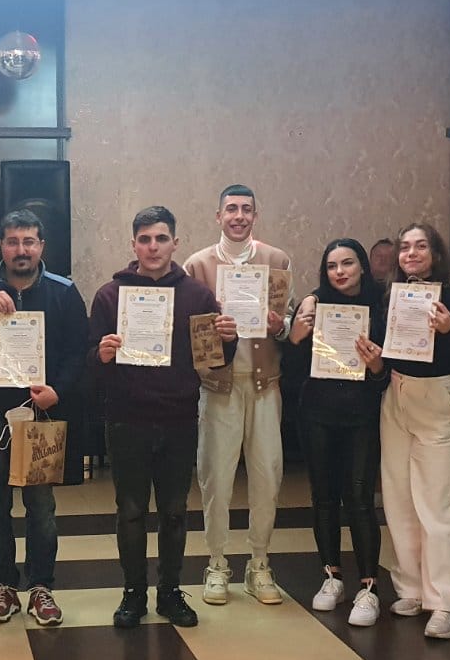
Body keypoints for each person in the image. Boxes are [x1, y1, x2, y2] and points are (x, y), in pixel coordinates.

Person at [91, 205, 236, 628]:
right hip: (126, 419)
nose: (153, 247)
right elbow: (89, 362)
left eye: (160, 238)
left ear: (175, 243)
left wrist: (229, 340)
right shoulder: (110, 296)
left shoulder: (197, 296)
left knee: (174, 511)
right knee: (131, 511)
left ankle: (170, 592)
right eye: (145, 239)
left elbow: (215, 360)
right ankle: (133, 594)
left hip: (178, 418)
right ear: (133, 245)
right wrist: (100, 354)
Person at [0, 210, 88, 625]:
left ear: (41, 246)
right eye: (13, 241)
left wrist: (58, 391)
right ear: (1, 245)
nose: (21, 250)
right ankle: (3, 586)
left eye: (29, 241)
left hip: (41, 416)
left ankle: (41, 587)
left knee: (41, 506)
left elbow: (77, 352)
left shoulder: (63, 292)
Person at [182, 184, 291, 605]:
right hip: (218, 387)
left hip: (265, 385)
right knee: (215, 477)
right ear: (219, 216)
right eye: (231, 209)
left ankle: (259, 563)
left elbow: (288, 324)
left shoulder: (276, 260)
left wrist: (279, 325)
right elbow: (189, 332)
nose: (239, 216)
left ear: (255, 216)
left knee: (267, 475)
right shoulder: (198, 265)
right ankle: (216, 562)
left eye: (246, 209)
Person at [285, 239, 388, 624]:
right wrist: (296, 338)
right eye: (332, 266)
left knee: (359, 498)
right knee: (324, 498)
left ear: (362, 266)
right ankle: (332, 577)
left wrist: (377, 367)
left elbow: (385, 377)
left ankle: (369, 587)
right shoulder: (313, 306)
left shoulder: (381, 307)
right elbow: (292, 370)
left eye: (347, 263)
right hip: (317, 414)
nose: (340, 272)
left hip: (362, 416)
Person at [380, 223, 450, 640]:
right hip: (397, 394)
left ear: (436, 254)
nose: (411, 253)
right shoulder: (392, 296)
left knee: (439, 505)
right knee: (399, 498)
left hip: (438, 397)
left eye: (420, 246)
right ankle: (411, 589)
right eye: (405, 247)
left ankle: (445, 602)